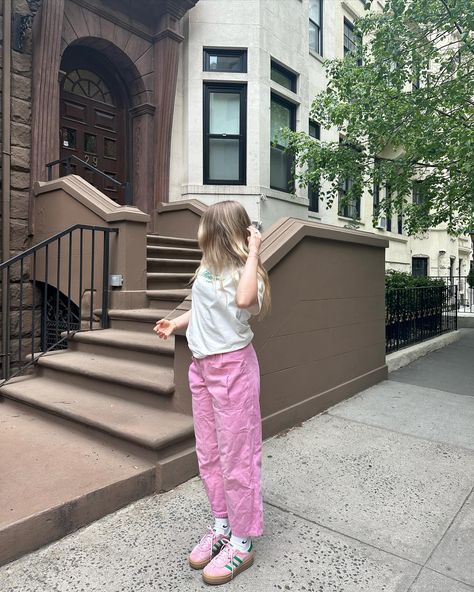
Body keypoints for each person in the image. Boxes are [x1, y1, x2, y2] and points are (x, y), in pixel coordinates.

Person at [154, 200, 271, 585]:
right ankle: (221, 523)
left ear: (221, 233)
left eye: (207, 229)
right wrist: (176, 323)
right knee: (209, 454)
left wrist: (254, 250)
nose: (200, 234)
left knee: (238, 457)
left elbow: (242, 301)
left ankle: (243, 540)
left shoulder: (246, 272)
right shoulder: (207, 267)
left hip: (233, 369)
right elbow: (203, 310)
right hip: (202, 368)